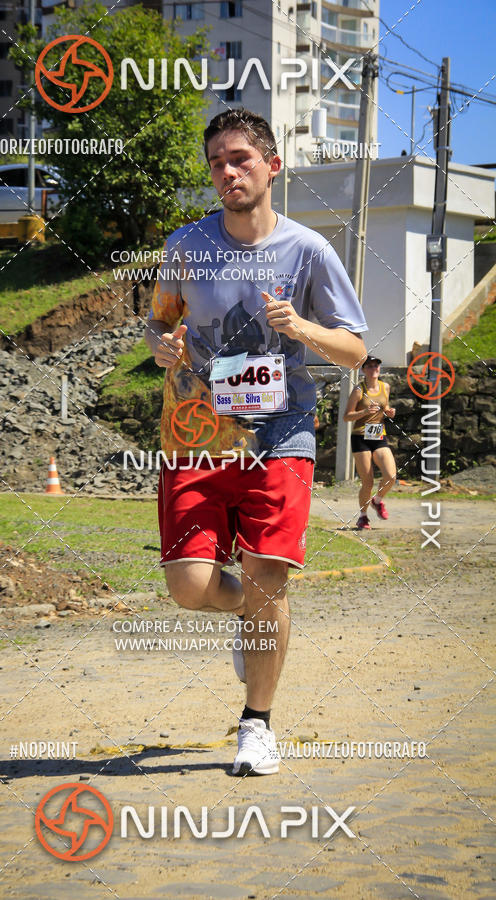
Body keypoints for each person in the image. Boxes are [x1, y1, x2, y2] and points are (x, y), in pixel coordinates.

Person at [144, 108, 367, 775]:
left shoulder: (309, 251)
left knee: (272, 577)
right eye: (216, 162)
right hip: (197, 434)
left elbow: (355, 349)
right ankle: (252, 613)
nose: (227, 172)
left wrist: (300, 327)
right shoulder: (186, 245)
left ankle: (257, 723)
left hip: (282, 431)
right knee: (189, 585)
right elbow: (159, 325)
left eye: (240, 158)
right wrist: (160, 345)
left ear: (272, 165)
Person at [343, 356, 397, 530]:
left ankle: (377, 500)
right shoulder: (359, 390)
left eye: (377, 366)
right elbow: (346, 416)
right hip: (360, 437)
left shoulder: (385, 387)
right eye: (370, 366)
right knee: (368, 482)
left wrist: (389, 412)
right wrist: (364, 411)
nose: (374, 368)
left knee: (391, 475)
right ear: (364, 370)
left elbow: (385, 407)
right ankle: (363, 516)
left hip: (379, 435)